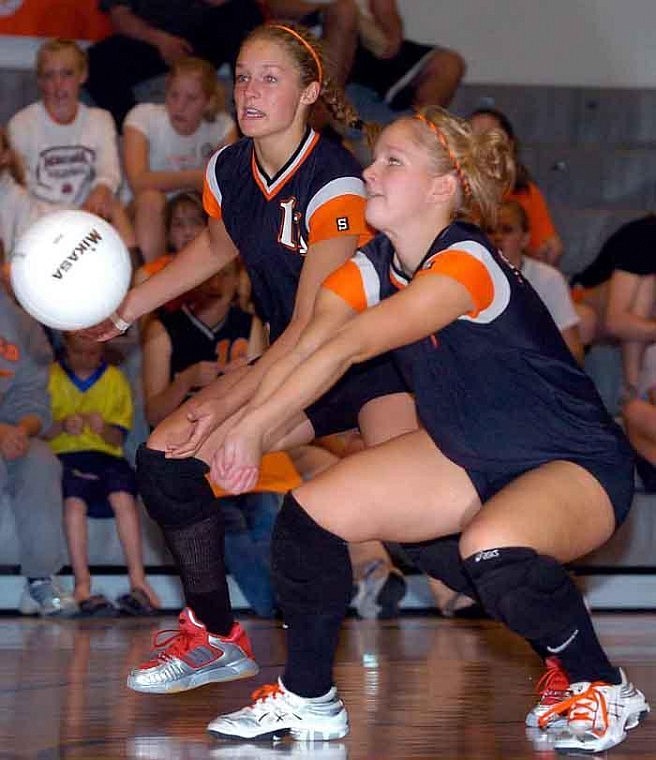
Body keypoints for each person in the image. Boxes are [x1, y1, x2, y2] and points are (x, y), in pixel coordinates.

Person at [203, 106, 648, 755]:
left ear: (442, 189)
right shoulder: (375, 262)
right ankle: (307, 701)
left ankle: (601, 684)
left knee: (490, 549)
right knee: (312, 515)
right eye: (373, 157)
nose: (370, 172)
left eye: (393, 162)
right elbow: (308, 339)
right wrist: (231, 421)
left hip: (575, 460)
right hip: (473, 457)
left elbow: (352, 344)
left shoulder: (465, 261)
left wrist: (258, 430)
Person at [84, 23, 416, 694]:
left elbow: (313, 325)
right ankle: (213, 633)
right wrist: (128, 305)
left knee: (431, 526)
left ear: (309, 92)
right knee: (165, 462)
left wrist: (252, 420)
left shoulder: (337, 183)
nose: (249, 90)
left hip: (373, 363)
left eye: (270, 77)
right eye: (241, 76)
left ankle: (567, 652)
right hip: (302, 359)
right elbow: (213, 248)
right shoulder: (227, 168)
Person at [45, 332, 160, 616]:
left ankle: (138, 581)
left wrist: (103, 428)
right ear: (66, 352)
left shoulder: (114, 380)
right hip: (67, 456)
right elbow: (42, 431)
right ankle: (82, 584)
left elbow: (118, 438)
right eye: (79, 353)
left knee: (124, 499)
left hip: (107, 457)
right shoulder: (50, 378)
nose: (86, 359)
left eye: (93, 354)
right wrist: (60, 426)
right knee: (74, 504)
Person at [7, 39, 136, 256]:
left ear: (82, 75)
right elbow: (22, 186)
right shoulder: (21, 124)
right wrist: (67, 216)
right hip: (40, 217)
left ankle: (136, 278)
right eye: (49, 76)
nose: (58, 85)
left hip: (90, 212)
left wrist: (101, 189)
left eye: (67, 74)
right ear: (40, 81)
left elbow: (109, 171)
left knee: (113, 205)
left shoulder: (100, 119)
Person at [0, 286, 76, 617]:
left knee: (41, 461)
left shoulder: (20, 322)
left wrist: (21, 430)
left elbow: (34, 395)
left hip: (10, 431)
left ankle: (40, 580)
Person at [123, 56, 237, 262]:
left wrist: (201, 183)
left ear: (208, 101)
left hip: (194, 210)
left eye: (191, 98)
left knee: (224, 207)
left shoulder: (222, 126)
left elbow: (228, 186)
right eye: (173, 95)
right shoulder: (143, 117)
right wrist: (196, 178)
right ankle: (152, 277)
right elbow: (139, 181)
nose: (179, 106)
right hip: (145, 211)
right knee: (151, 199)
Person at [85, 0, 264, 130]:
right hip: (151, 38)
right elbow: (119, 17)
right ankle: (138, 130)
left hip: (201, 33)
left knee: (243, 10)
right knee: (95, 61)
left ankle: (250, 117)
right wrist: (161, 41)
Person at [265, 0, 466, 110]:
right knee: (344, 10)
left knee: (449, 63)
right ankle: (323, 111)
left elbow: (387, 15)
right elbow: (271, 5)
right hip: (313, 32)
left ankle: (423, 133)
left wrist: (390, 38)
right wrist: (327, 9)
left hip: (368, 41)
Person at [571, 214, 656, 405]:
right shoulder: (645, 235)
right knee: (646, 286)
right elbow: (616, 322)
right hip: (584, 305)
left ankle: (639, 401)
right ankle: (632, 392)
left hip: (639, 326)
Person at [488, 199, 584, 364]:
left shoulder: (548, 279)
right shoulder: (470, 277)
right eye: (490, 230)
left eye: (507, 230)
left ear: (525, 239)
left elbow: (574, 352)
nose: (497, 237)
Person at [469, 107, 563, 266]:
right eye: (472, 137)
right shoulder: (450, 191)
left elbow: (549, 250)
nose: (480, 145)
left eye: (489, 137)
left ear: (509, 145)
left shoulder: (525, 193)